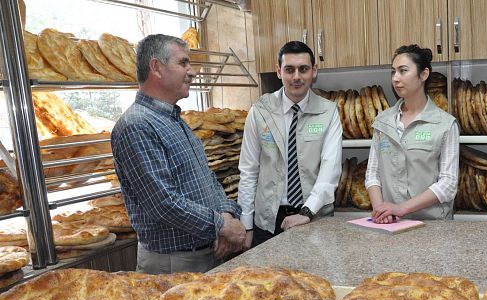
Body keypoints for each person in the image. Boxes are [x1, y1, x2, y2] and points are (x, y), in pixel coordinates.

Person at [111, 34, 246, 274]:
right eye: (183, 63)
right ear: (156, 68)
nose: (191, 71)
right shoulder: (136, 125)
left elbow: (207, 179)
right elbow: (163, 203)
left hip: (206, 252)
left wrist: (225, 215)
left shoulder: (175, 120)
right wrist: (221, 225)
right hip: (173, 263)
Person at [238, 41, 342, 247]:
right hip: (267, 222)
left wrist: (307, 211)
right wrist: (246, 225)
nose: (296, 77)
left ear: (314, 71)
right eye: (289, 69)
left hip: (314, 217)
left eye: (303, 69)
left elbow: (330, 168)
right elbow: (249, 170)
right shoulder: (260, 111)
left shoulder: (328, 112)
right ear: (279, 72)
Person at [365, 44, 459, 223]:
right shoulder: (383, 121)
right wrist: (380, 211)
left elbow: (448, 184)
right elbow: (372, 174)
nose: (396, 78)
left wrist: (401, 208)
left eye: (403, 71)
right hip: (391, 223)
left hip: (432, 225)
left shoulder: (445, 124)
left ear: (423, 74)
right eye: (393, 72)